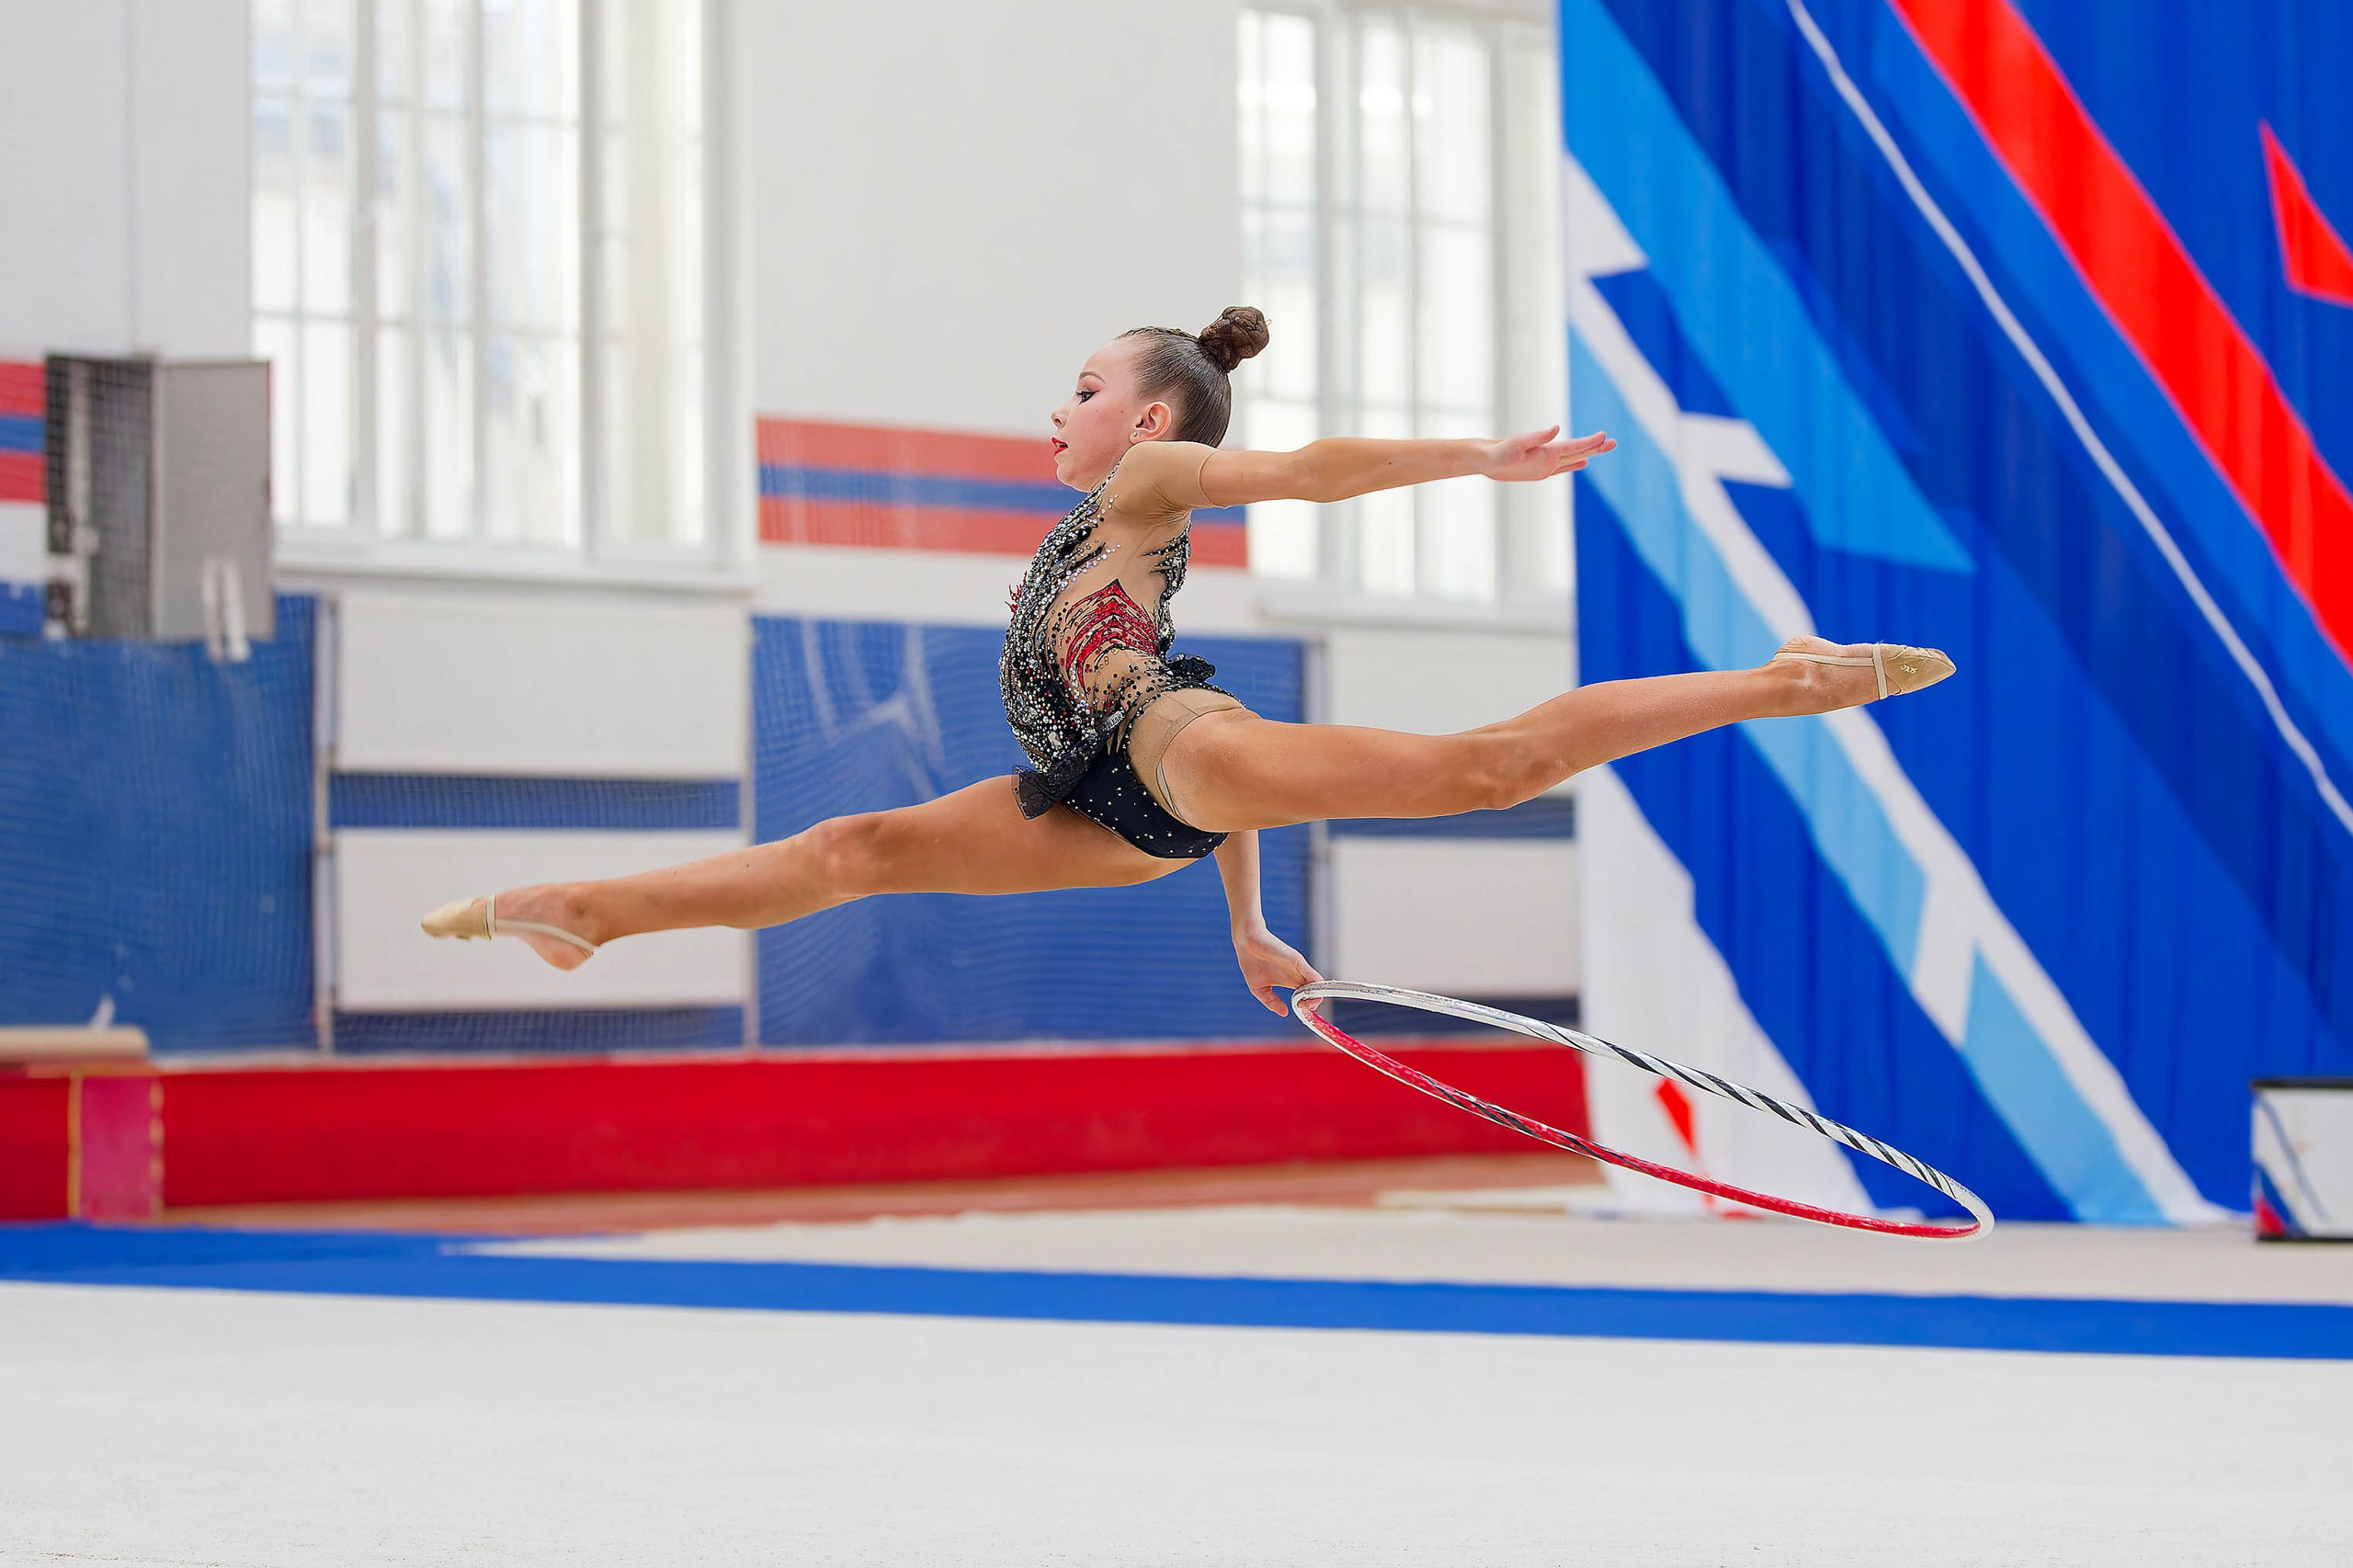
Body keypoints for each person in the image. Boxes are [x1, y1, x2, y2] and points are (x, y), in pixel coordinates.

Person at [424, 306, 1952, 1014]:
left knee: (1494, 767)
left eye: (1079, 385)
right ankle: (588, 913)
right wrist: (1249, 925)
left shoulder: (1144, 491)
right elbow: (1210, 789)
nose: (1059, 407)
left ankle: (1779, 677)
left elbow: (1308, 474)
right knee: (853, 843)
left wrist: (1475, 457)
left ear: (1148, 422)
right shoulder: (1099, 531)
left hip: (1162, 751)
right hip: (1117, 802)